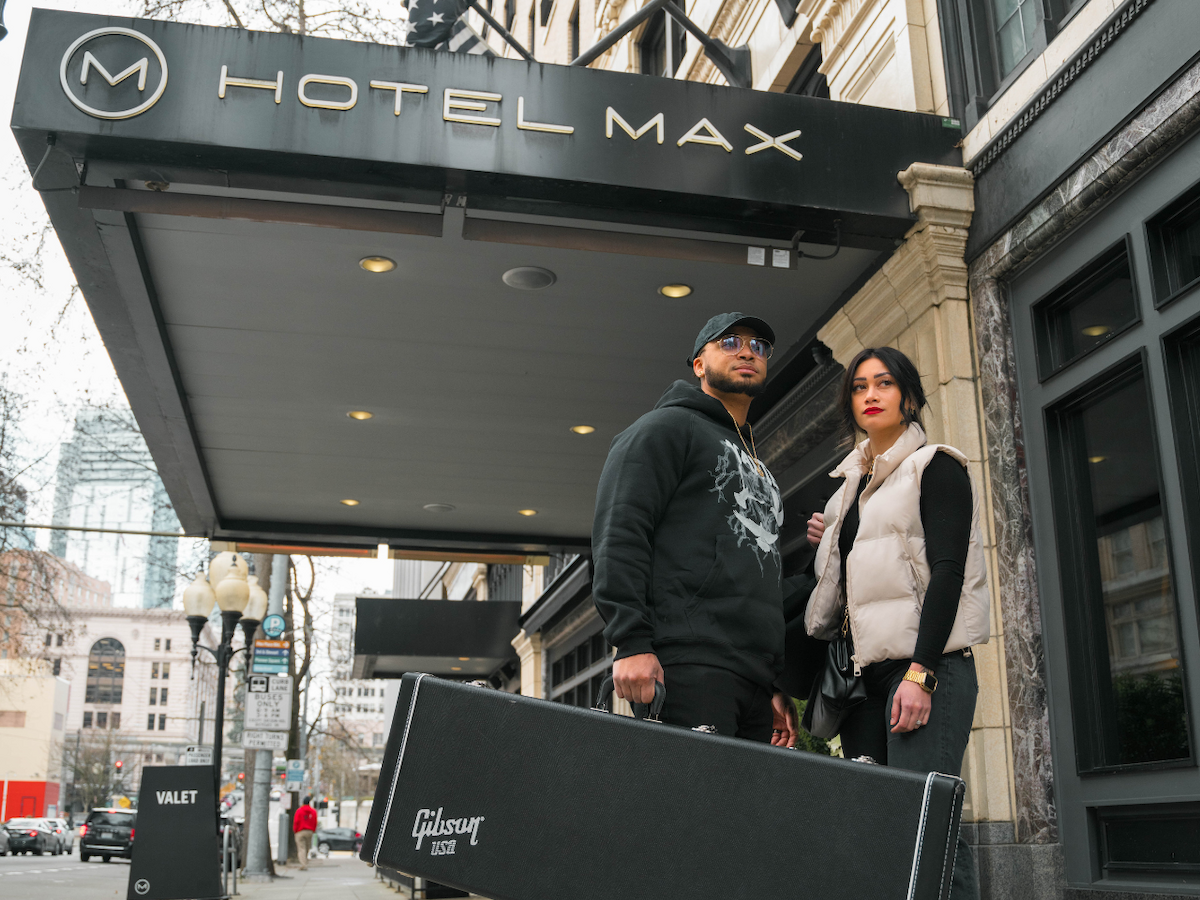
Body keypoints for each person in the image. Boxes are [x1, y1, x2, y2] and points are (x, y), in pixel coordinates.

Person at [803, 346, 990, 900]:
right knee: (876, 832)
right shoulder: (847, 493)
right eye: (859, 388)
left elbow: (949, 571)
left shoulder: (936, 466)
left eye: (883, 384)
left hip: (925, 669)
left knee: (927, 827)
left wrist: (922, 672)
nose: (871, 395)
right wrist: (832, 538)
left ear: (908, 396)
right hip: (863, 681)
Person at [592, 312, 808, 745]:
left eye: (759, 346)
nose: (748, 351)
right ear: (697, 364)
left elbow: (760, 574)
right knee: (687, 810)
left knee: (737, 814)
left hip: (750, 677)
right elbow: (621, 531)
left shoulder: (759, 465)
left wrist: (772, 682)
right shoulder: (665, 428)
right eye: (729, 342)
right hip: (688, 662)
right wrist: (631, 641)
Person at [293, 796, 318, 869]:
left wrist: (295, 830)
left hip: (300, 831)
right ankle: (305, 860)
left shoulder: (299, 811)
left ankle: (303, 863)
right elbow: (315, 822)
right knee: (307, 847)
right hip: (309, 831)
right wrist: (313, 830)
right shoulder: (313, 812)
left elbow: (296, 821)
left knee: (301, 848)